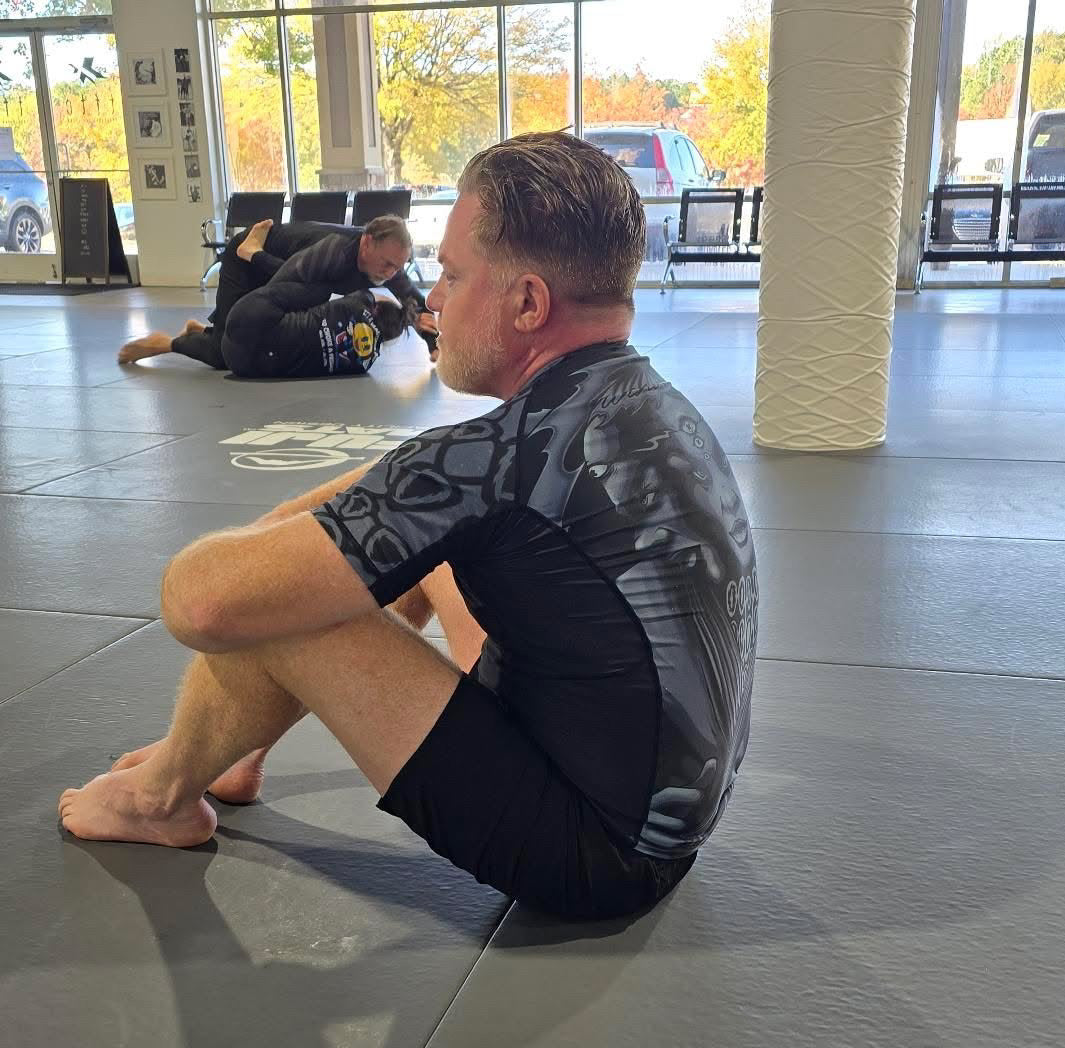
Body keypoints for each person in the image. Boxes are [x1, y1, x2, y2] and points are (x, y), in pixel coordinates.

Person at [60, 131, 758, 922]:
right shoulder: (651, 404)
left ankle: (158, 798)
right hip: (659, 807)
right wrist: (396, 480)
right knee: (401, 553)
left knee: (281, 605)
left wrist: (367, 498)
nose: (434, 304)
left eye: (453, 277)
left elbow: (200, 602)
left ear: (528, 304)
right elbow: (455, 496)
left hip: (596, 857)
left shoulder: (489, 461)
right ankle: (231, 747)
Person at [117, 215, 439, 369]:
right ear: (366, 242)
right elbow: (279, 288)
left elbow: (412, 299)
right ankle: (166, 343)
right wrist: (254, 254)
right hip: (248, 261)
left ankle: (204, 331)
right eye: (387, 264)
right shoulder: (332, 253)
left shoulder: (384, 264)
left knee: (244, 338)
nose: (390, 273)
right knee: (225, 355)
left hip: (284, 270)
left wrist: (432, 344)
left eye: (398, 267)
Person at [219, 283, 416, 379]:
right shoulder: (365, 364)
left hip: (248, 318)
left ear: (377, 308)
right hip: (244, 365)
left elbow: (370, 289)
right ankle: (202, 335)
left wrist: (394, 305)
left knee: (319, 289)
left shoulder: (358, 304)